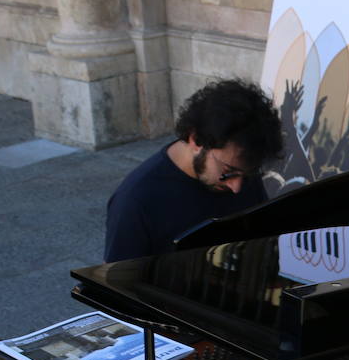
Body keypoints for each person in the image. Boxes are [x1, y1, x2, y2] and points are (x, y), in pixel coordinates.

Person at [104, 79, 283, 263]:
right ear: (196, 140)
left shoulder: (242, 169)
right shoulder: (135, 201)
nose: (237, 187)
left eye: (247, 175)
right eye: (229, 171)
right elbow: (117, 285)